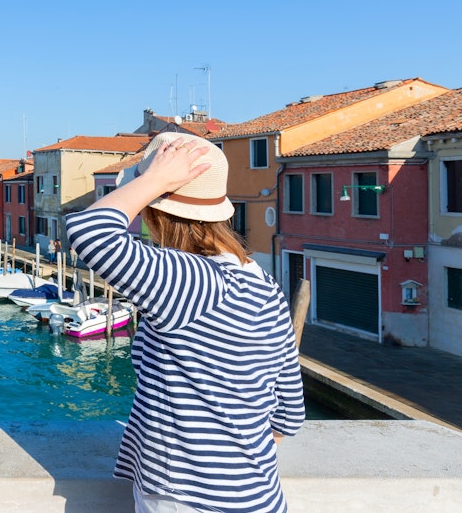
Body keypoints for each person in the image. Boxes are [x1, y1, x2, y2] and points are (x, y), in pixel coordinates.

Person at [65, 132, 305, 513]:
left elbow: (88, 232)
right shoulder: (262, 283)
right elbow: (289, 413)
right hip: (259, 497)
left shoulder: (189, 279)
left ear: (155, 211)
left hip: (188, 500)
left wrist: (154, 180)